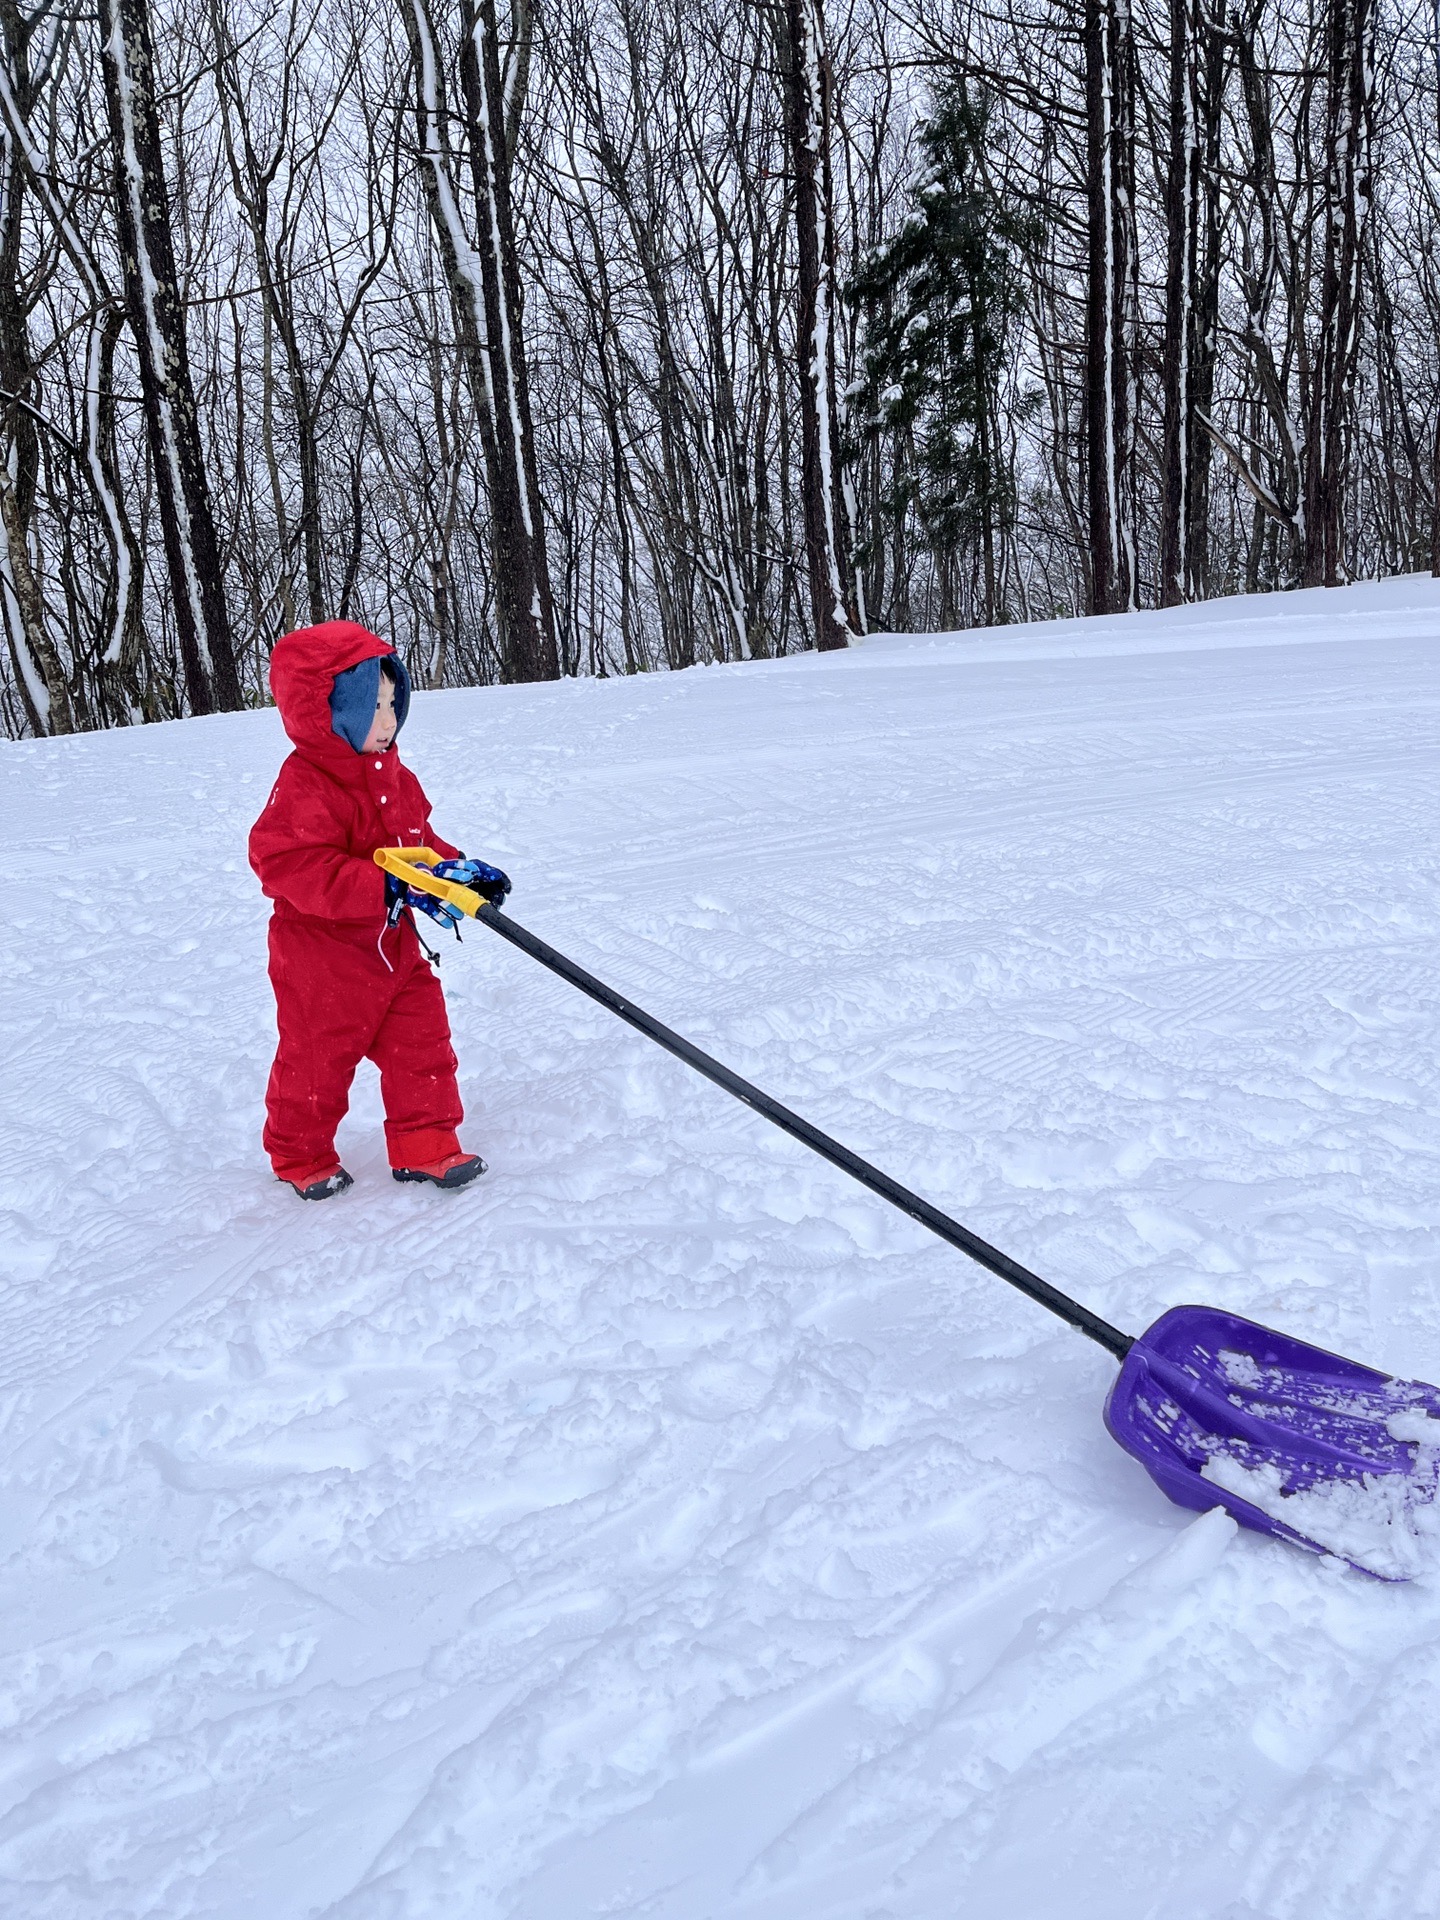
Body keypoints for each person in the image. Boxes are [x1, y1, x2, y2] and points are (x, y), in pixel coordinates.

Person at [248, 620, 509, 1200]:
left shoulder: (396, 776)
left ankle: (426, 1143)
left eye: (394, 703)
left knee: (424, 1044)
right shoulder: (305, 784)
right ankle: (299, 1152)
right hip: (323, 965)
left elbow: (418, 844)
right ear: (327, 712)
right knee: (315, 1066)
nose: (388, 722)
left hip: (393, 952)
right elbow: (286, 863)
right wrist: (383, 888)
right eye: (373, 706)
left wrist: (457, 870)